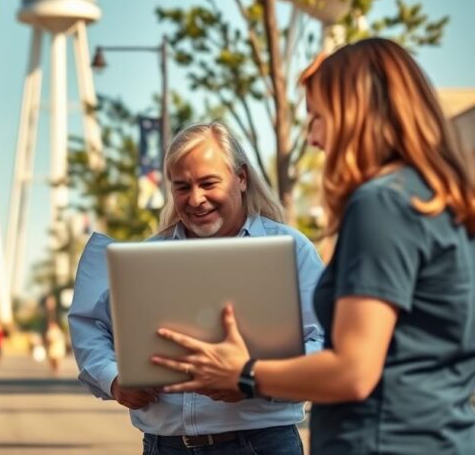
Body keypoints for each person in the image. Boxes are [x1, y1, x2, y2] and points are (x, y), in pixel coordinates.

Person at [150, 38, 475, 454]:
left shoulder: (382, 204)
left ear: (356, 115)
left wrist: (244, 374)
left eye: (319, 117)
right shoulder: (438, 200)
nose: (314, 137)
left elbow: (354, 370)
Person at [69, 121, 325, 455]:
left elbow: (326, 342)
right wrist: (114, 379)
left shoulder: (292, 248)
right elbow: (91, 323)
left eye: (208, 183)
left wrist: (253, 378)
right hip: (164, 446)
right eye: (182, 187)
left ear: (242, 178)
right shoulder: (146, 257)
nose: (196, 199)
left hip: (259, 445)